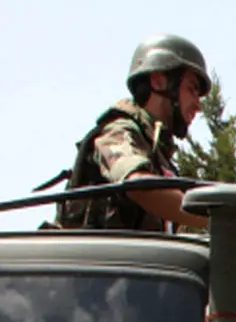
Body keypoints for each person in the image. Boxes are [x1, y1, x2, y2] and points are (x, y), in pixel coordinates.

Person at [48, 33, 212, 233]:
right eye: (192, 89)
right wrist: (214, 219)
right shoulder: (118, 131)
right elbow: (136, 184)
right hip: (100, 253)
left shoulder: (159, 156)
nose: (198, 105)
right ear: (159, 81)